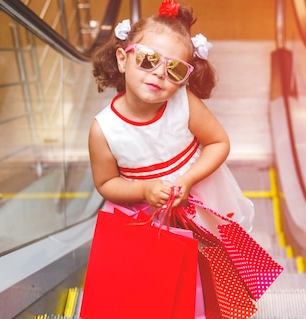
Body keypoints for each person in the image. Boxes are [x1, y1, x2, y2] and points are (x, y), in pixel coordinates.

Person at [88, 0, 254, 231]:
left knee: (208, 257)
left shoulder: (184, 103)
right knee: (160, 266)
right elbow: (106, 182)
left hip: (199, 202)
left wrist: (188, 179)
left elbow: (218, 142)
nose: (158, 73)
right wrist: (144, 190)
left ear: (184, 78)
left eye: (174, 69)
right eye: (148, 59)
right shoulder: (104, 129)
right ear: (122, 59)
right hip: (144, 218)